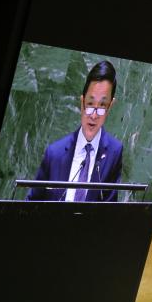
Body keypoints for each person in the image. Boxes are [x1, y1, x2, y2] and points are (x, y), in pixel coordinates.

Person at [26, 60, 124, 201]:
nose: (94, 115)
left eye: (102, 105)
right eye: (90, 104)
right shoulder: (54, 153)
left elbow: (109, 207)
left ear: (110, 107)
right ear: (82, 102)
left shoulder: (114, 152)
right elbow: (32, 203)